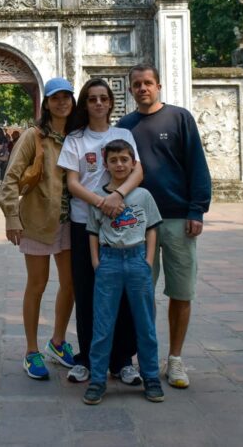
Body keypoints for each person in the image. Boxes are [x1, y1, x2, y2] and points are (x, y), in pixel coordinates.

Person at [118, 65, 211, 390]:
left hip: (177, 218)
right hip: (138, 224)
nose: (143, 88)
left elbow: (197, 164)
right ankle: (145, 356)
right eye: (137, 84)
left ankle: (175, 359)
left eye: (148, 83)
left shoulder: (179, 118)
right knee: (140, 293)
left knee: (181, 292)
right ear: (130, 90)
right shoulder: (125, 127)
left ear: (158, 85)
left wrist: (197, 209)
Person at [57, 78, 144, 385]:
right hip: (85, 224)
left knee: (123, 292)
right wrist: (100, 202)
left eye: (103, 98)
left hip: (121, 223)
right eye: (92, 98)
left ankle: (123, 360)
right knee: (88, 292)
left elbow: (138, 170)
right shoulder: (75, 139)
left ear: (111, 103)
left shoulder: (123, 134)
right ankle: (87, 359)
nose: (97, 103)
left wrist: (117, 198)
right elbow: (72, 182)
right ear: (85, 103)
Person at [0, 77, 78, 380]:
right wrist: (11, 216)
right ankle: (31, 350)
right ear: (46, 103)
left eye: (67, 97)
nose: (62, 103)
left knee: (69, 284)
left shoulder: (77, 135)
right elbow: (11, 177)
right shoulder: (34, 136)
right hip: (37, 219)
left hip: (71, 221)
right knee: (37, 284)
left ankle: (57, 342)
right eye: (56, 98)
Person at [83, 139, 163, 405]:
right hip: (109, 261)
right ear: (106, 164)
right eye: (114, 160)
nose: (119, 164)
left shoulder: (143, 195)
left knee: (145, 323)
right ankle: (97, 380)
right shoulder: (100, 196)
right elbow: (93, 232)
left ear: (133, 163)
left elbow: (152, 228)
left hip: (137, 259)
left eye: (124, 160)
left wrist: (149, 260)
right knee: (103, 324)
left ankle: (151, 377)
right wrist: (96, 261)